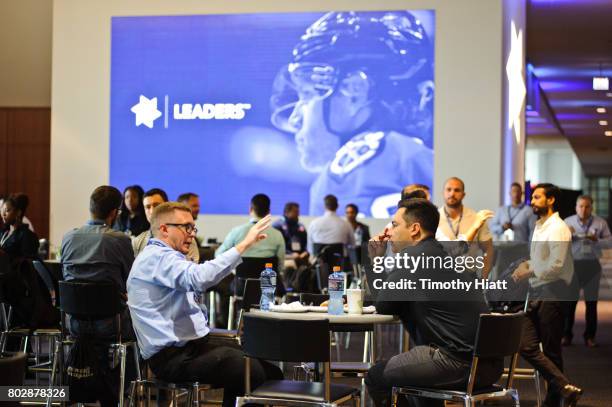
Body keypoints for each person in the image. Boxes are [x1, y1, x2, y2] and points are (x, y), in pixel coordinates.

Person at [270, 11, 434, 218]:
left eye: (308, 94)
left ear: (354, 91)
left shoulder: (353, 170)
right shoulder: (419, 154)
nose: (295, 118)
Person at [127, 203, 283, 407]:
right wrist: (244, 244)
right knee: (251, 372)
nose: (192, 234)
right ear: (164, 229)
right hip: (172, 358)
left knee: (269, 370)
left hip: (191, 347)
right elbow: (199, 278)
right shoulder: (157, 258)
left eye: (193, 227)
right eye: (186, 227)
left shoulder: (169, 258)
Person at [365, 199, 502, 407]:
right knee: (419, 367)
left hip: (457, 364)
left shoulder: (414, 258)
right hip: (488, 366)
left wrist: (375, 261)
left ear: (415, 229)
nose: (389, 232)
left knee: (376, 376)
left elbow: (384, 305)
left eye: (394, 225)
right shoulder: (441, 255)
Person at [511, 183, 582, 407]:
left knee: (551, 350)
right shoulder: (540, 226)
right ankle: (565, 387)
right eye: (533, 197)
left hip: (554, 291)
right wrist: (527, 265)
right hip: (538, 289)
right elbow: (543, 260)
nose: (532, 201)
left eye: (538, 197)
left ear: (551, 200)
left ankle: (556, 400)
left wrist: (530, 268)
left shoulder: (558, 227)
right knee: (526, 344)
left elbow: (557, 265)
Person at [61, 185, 135, 339]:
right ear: (114, 212)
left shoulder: (68, 237)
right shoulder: (120, 239)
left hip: (74, 323)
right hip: (112, 323)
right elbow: (131, 281)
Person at [563, 194, 611, 347]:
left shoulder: (600, 222)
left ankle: (590, 337)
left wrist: (598, 240)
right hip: (573, 265)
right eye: (581, 206)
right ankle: (566, 335)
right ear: (576, 207)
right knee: (570, 303)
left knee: (591, 303)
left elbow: (609, 242)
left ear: (592, 207)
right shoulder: (567, 222)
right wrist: (566, 235)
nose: (583, 210)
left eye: (587, 206)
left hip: (592, 265)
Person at [436, 177, 494, 277]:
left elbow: (488, 249)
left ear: (463, 194)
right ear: (442, 193)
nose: (452, 193)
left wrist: (484, 277)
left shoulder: (476, 218)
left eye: (457, 190)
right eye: (448, 189)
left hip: (469, 276)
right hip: (441, 276)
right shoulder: (434, 218)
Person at [216, 194, 286, 273]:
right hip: (268, 283)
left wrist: (233, 271)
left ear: (250, 209)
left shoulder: (236, 232)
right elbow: (280, 264)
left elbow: (219, 255)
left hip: (241, 282)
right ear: (269, 212)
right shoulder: (277, 235)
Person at [132, 188, 200, 262]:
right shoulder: (138, 242)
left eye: (156, 205)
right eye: (148, 207)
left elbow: (190, 271)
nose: (152, 211)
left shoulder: (186, 239)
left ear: (167, 207)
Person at [0, 194, 39, 261]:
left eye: (7, 210)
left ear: (18, 212)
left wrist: (4, 255)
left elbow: (27, 264)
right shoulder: (4, 233)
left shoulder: (26, 235)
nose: (3, 214)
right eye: (2, 211)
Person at [272, 202, 309, 266]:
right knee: (291, 265)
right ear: (286, 212)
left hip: (300, 256)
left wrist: (305, 252)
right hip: (286, 256)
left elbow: (305, 243)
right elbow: (276, 247)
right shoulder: (277, 226)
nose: (298, 214)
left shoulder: (300, 227)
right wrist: (291, 254)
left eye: (298, 212)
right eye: (295, 212)